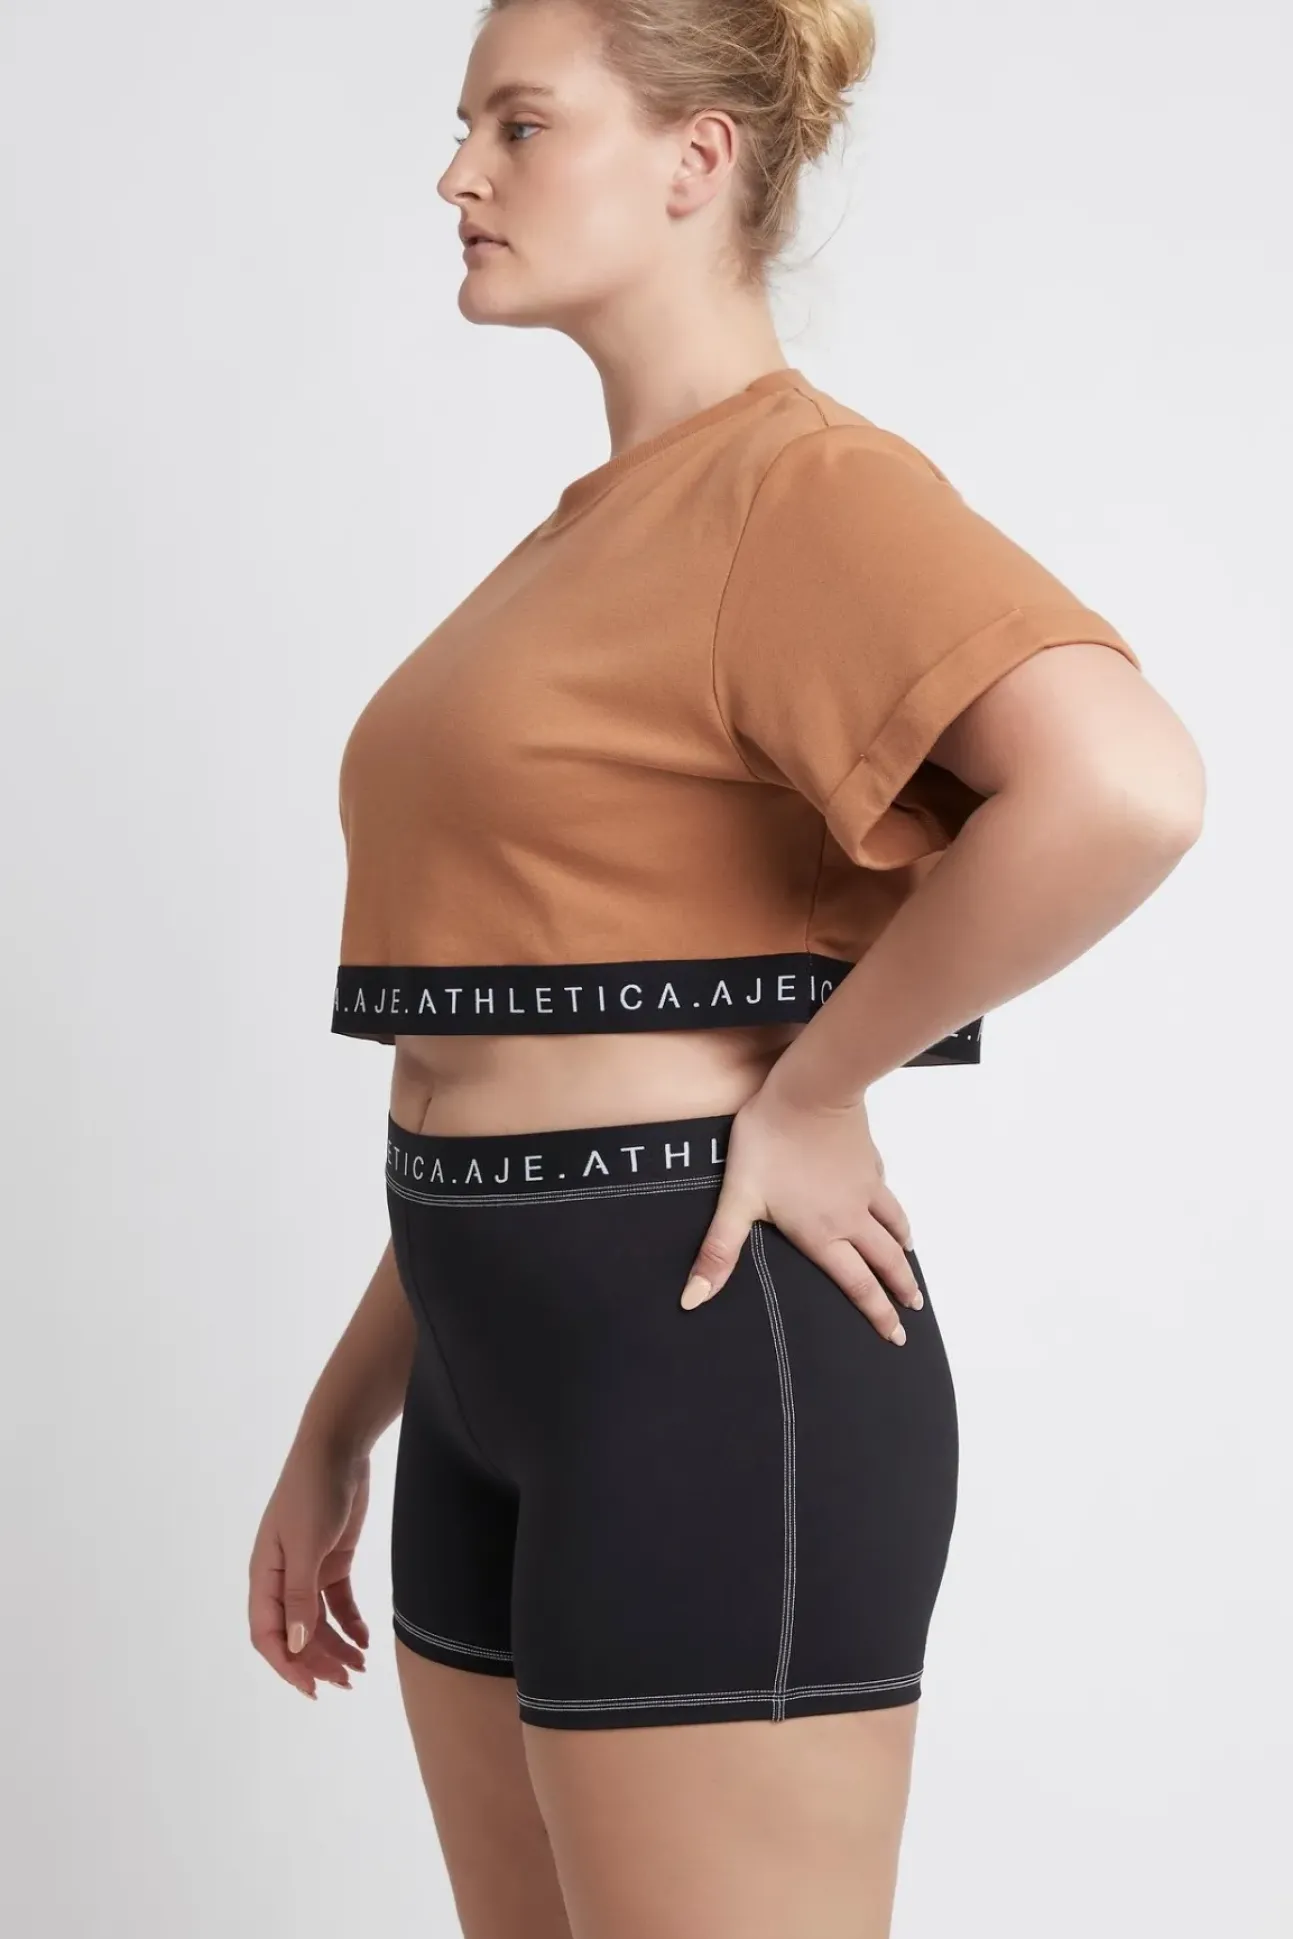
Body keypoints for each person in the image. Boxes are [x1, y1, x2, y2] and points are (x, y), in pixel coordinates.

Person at [248, 1, 1205, 1932]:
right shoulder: (582, 542)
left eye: (519, 125)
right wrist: (341, 1414)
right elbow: (512, 1046)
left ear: (700, 158)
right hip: (481, 1365)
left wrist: (824, 1083)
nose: (458, 175)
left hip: (697, 1358)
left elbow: (1125, 786)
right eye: (464, 127)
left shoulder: (799, 489)